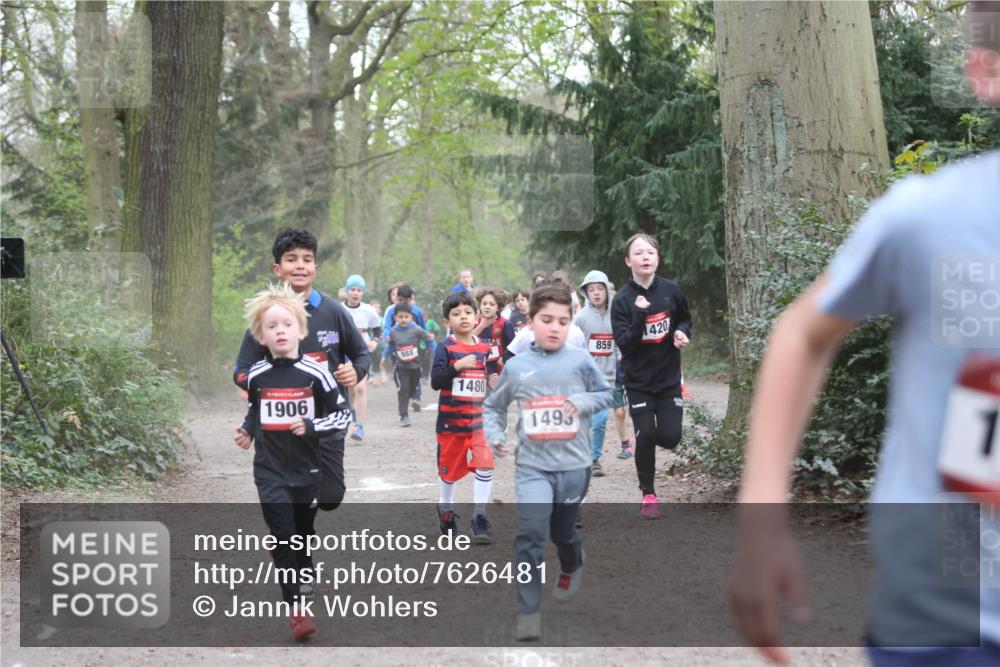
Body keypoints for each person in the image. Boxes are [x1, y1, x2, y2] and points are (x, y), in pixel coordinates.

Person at [731, 4, 1000, 663]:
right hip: (943, 626)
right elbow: (803, 332)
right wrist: (762, 517)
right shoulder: (928, 219)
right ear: (986, 72)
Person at [484, 283, 612, 641]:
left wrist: (582, 403)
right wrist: (495, 434)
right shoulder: (516, 366)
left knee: (562, 534)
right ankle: (528, 612)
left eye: (562, 321)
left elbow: (605, 393)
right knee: (531, 533)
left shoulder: (580, 360)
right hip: (532, 467)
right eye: (546, 320)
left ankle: (572, 561)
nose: (554, 327)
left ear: (570, 323)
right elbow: (493, 407)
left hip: (574, 466)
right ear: (530, 322)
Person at [233, 283, 352, 642]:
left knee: (302, 534)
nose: (280, 331)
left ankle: (301, 564)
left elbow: (343, 416)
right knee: (284, 537)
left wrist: (312, 426)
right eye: (271, 326)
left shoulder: (317, 374)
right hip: (269, 472)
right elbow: (255, 409)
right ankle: (297, 609)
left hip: (307, 471)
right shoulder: (257, 376)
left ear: (301, 330)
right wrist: (247, 430)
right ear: (261, 336)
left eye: (287, 324)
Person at [234, 228, 370, 512]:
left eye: (306, 260)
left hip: (326, 420)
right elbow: (241, 370)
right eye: (291, 259)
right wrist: (259, 383)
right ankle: (289, 528)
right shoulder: (266, 316)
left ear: (315, 268)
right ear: (277, 268)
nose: (299, 266)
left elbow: (361, 354)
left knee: (330, 497)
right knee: (285, 494)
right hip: (280, 429)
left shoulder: (334, 311)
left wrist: (355, 372)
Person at [611, 232, 692, 519]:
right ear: (628, 261)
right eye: (638, 253)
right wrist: (639, 315)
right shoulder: (622, 300)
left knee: (670, 438)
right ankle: (648, 494)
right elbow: (626, 345)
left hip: (669, 379)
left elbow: (685, 319)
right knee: (645, 434)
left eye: (650, 252)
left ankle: (644, 443)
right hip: (639, 383)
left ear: (657, 258)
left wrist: (681, 332)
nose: (645, 257)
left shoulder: (671, 290)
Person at [430, 291, 495, 542]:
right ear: (447, 322)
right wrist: (457, 366)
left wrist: (492, 380)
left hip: (478, 422)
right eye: (456, 314)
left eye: (468, 312)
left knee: (485, 462)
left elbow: (486, 377)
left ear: (476, 316)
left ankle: (480, 515)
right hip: (451, 425)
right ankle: (446, 509)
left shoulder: (484, 348)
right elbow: (436, 381)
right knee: (449, 473)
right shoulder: (445, 347)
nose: (463, 317)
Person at [573, 270, 619, 477]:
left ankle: (594, 460)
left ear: (607, 290)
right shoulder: (581, 318)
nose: (596, 293)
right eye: (591, 290)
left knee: (600, 422)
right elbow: (573, 345)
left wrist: (621, 358)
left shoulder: (616, 315)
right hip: (584, 380)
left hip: (607, 378)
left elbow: (619, 342)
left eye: (600, 289)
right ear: (586, 293)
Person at [343, 274, 381, 441]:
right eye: (352, 289)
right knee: (350, 389)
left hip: (362, 351)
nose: (355, 293)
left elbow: (377, 328)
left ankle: (359, 426)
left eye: (359, 290)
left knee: (360, 388)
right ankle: (348, 417)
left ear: (362, 293)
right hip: (344, 352)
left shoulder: (368, 310)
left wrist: (375, 341)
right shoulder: (339, 310)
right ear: (347, 291)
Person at [382, 302, 432, 426]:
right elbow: (391, 346)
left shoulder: (416, 329)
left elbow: (429, 339)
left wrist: (435, 352)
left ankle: (409, 397)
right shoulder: (393, 331)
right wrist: (384, 357)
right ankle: (404, 416)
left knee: (411, 389)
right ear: (395, 318)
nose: (404, 319)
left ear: (411, 317)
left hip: (415, 366)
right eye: (400, 317)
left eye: (406, 316)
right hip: (401, 367)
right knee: (403, 390)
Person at [473, 286, 508, 384]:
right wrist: (482, 326)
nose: (487, 306)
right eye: (484, 304)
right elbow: (465, 341)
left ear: (498, 308)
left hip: (498, 373)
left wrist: (503, 360)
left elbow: (512, 349)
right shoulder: (474, 321)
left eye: (492, 304)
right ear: (479, 305)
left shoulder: (505, 324)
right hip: (478, 371)